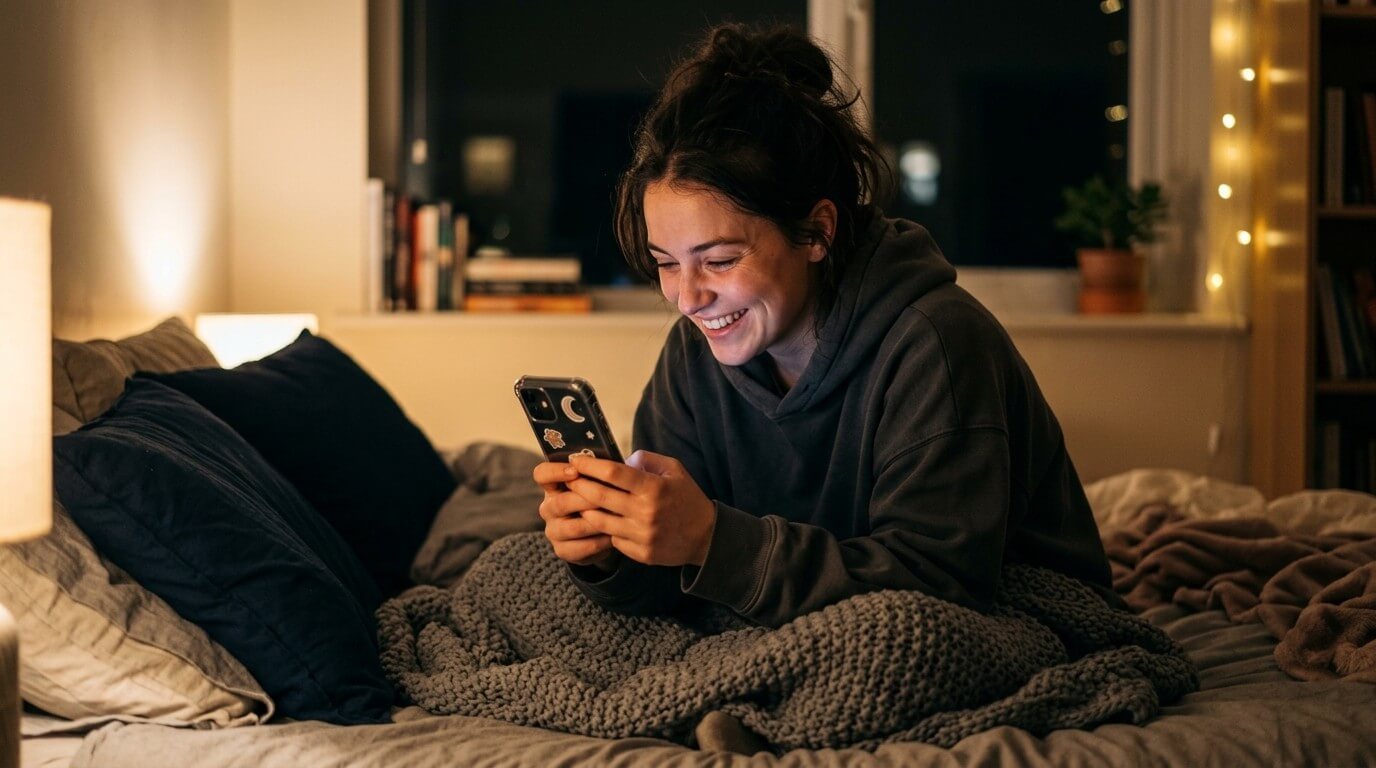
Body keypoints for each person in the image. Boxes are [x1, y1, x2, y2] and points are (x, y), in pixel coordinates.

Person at [532, 23, 1115, 628]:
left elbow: (941, 593)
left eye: (721, 260)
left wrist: (715, 541)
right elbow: (678, 571)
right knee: (513, 568)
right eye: (665, 264)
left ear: (817, 232)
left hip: (1006, 615)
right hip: (804, 612)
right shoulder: (695, 350)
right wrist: (610, 552)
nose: (688, 298)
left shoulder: (935, 342)